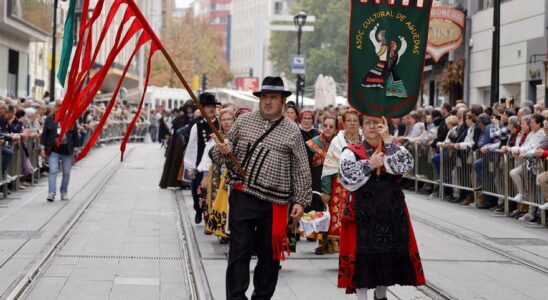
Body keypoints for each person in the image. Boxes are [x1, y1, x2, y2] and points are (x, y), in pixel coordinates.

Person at [210, 76, 311, 300]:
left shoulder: (292, 132)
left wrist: (300, 201)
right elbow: (217, 155)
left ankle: (261, 297)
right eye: (264, 97)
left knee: (269, 256)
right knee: (239, 251)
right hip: (243, 196)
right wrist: (223, 148)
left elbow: (302, 169)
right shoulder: (243, 122)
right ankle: (235, 297)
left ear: (283, 101)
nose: (267, 102)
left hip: (275, 204)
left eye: (273, 97)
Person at [338, 115, 425, 299]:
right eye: (367, 123)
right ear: (361, 126)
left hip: (391, 211)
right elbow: (347, 180)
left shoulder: (393, 148)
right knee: (362, 258)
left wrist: (388, 141)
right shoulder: (352, 151)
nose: (372, 127)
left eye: (377, 123)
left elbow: (406, 166)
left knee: (387, 256)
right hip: (364, 213)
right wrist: (369, 165)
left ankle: (381, 295)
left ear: (384, 126)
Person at [321, 109, 362, 254]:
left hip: (361, 185)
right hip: (340, 185)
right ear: (343, 123)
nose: (352, 123)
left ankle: (358, 248)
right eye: (348, 121)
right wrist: (325, 191)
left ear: (359, 123)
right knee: (340, 218)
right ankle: (344, 250)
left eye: (355, 121)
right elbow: (328, 167)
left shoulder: (365, 140)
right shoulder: (337, 141)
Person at [184, 93, 220, 224]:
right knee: (196, 191)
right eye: (208, 107)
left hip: (216, 165)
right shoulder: (196, 125)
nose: (211, 109)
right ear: (203, 109)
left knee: (212, 193)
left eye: (213, 106)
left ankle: (209, 216)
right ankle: (198, 209)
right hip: (199, 163)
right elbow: (191, 146)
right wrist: (190, 166)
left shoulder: (220, 124)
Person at [305, 116, 338, 255]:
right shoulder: (313, 144)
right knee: (320, 210)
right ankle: (322, 243)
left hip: (335, 179)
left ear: (336, 129)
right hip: (317, 180)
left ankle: (333, 241)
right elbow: (307, 165)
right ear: (322, 127)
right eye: (326, 126)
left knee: (333, 211)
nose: (328, 129)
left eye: (331, 126)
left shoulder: (339, 144)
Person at [40, 103, 80, 202]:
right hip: (54, 150)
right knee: (53, 170)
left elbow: (75, 135)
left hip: (67, 150)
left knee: (66, 172)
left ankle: (64, 192)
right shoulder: (50, 119)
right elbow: (44, 134)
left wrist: (76, 149)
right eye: (58, 107)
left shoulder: (71, 119)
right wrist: (42, 148)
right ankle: (52, 192)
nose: (60, 109)